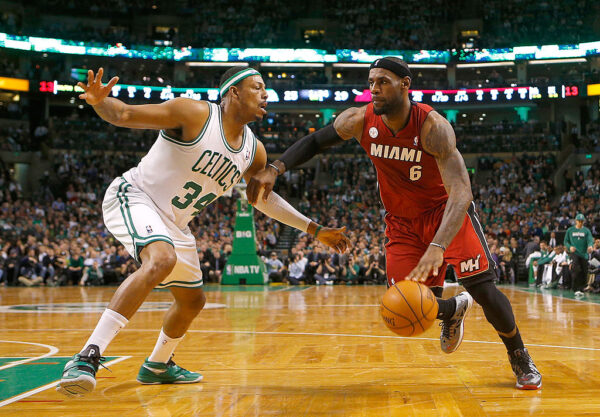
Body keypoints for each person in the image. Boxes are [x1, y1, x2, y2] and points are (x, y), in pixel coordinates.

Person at [247, 57, 542, 390]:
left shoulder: (433, 128)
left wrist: (437, 246)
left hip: (445, 213)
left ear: (405, 84)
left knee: (482, 288)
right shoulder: (359, 120)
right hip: (401, 222)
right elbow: (316, 141)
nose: (374, 88)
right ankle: (453, 309)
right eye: (371, 81)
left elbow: (461, 194)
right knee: (405, 301)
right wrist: (276, 168)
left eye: (383, 81)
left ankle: (519, 356)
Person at [57, 67, 351, 397]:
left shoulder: (255, 151)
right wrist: (100, 101)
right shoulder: (195, 113)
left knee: (192, 301)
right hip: (136, 196)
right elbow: (124, 113)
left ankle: (157, 365)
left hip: (175, 224)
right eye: (257, 87)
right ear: (233, 93)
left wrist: (314, 229)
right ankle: (86, 357)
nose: (265, 94)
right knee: (160, 259)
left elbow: (262, 200)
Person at [564, 213, 594, 298]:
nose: (580, 223)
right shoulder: (570, 230)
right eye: (579, 221)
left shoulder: (586, 231)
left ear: (583, 221)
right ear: (575, 221)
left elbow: (590, 240)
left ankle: (581, 288)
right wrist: (570, 247)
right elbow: (566, 241)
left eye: (582, 221)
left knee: (584, 271)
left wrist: (590, 246)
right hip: (575, 253)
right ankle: (576, 288)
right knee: (576, 269)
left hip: (584, 254)